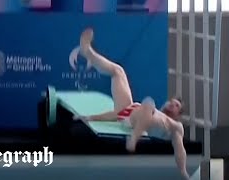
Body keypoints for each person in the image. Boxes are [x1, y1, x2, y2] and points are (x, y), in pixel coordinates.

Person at [74, 28, 212, 180]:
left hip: (138, 121)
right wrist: (90, 117)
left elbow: (179, 149)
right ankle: (87, 51)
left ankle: (134, 138)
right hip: (128, 110)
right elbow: (116, 115)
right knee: (118, 71)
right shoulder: (150, 109)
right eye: (171, 102)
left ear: (179, 115)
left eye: (176, 106)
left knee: (148, 104)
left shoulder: (175, 126)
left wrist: (184, 172)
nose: (172, 105)